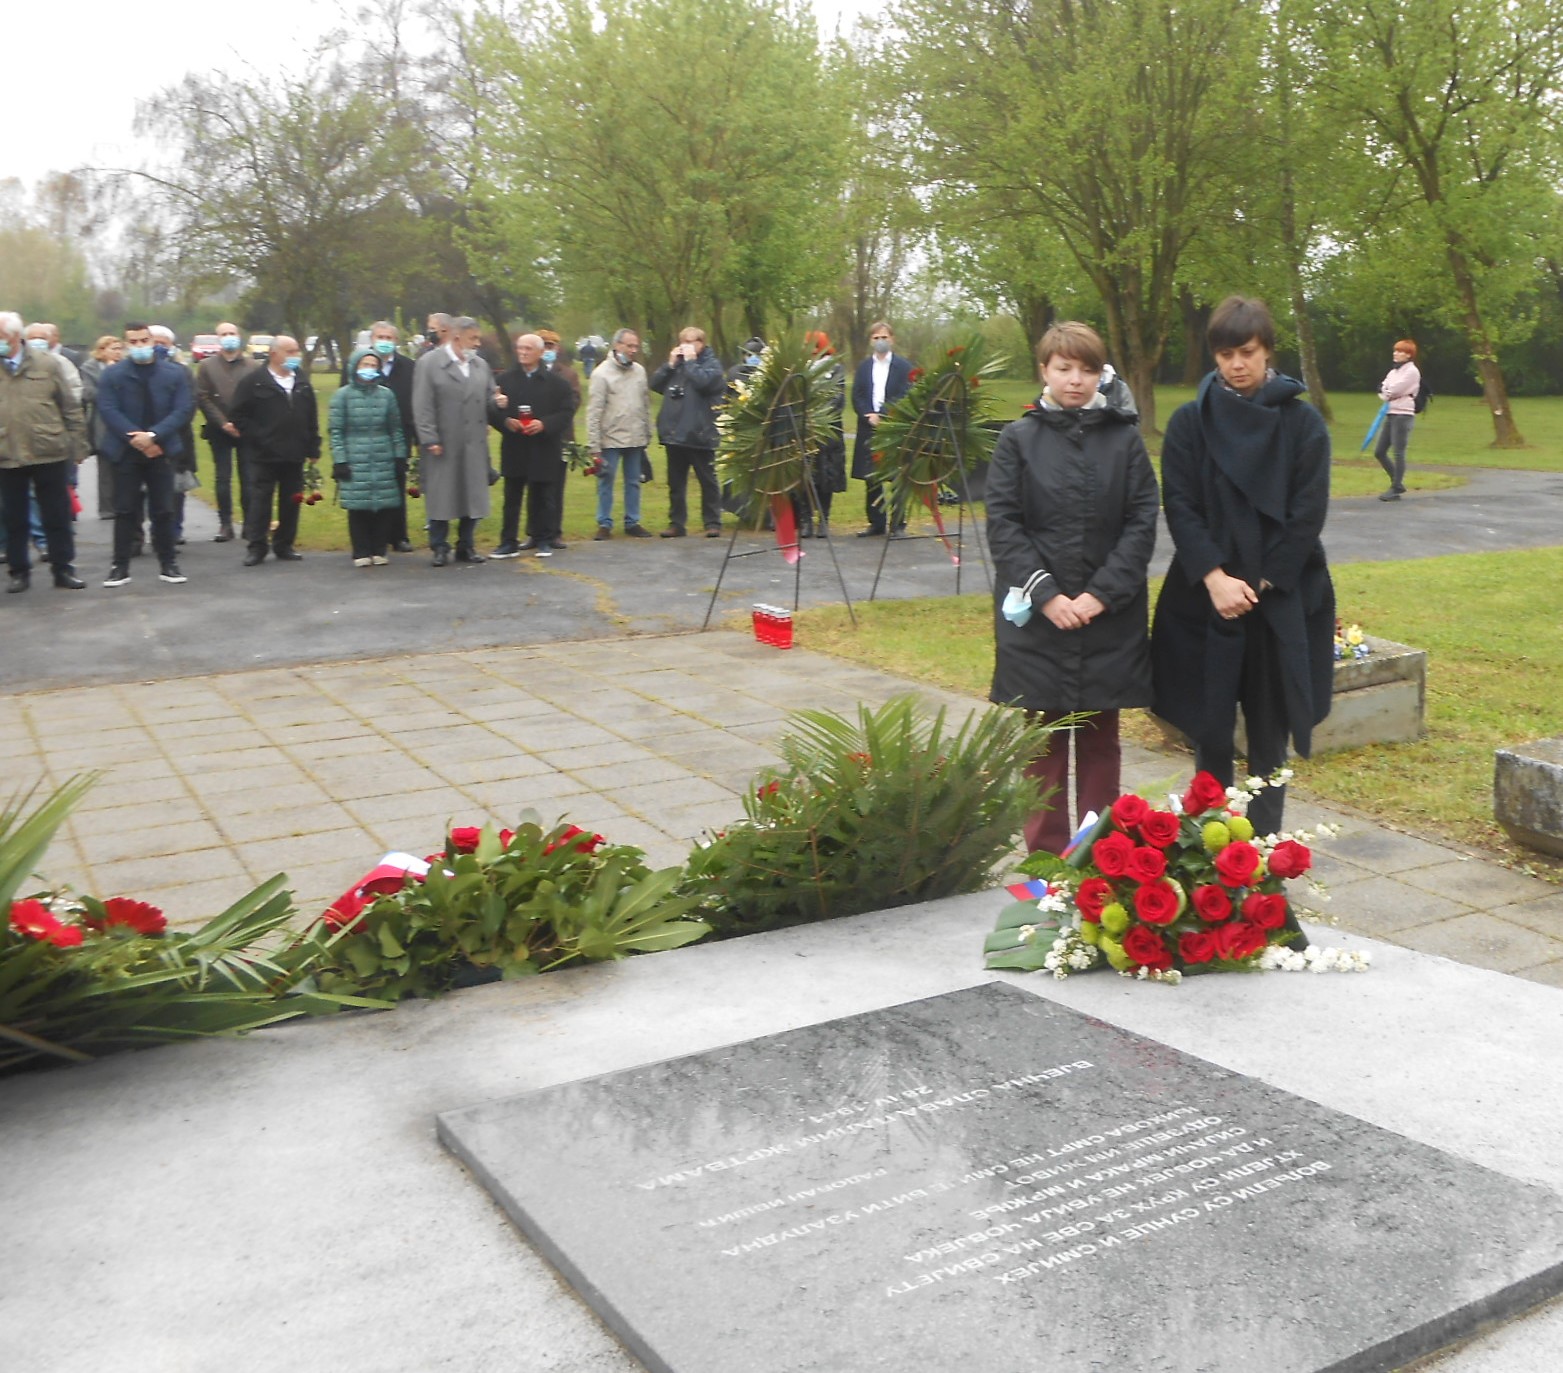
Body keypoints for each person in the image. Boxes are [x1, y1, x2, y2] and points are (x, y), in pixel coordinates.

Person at [1151, 295, 1335, 843]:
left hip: (1278, 598)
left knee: (1269, 737)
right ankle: (1211, 859)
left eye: (1247, 352)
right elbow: (1179, 504)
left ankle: (1262, 860)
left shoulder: (1303, 424)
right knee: (1209, 733)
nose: (1237, 364)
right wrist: (1214, 577)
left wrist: (1259, 581)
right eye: (1226, 353)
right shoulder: (1189, 423)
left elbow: (1308, 513)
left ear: (1268, 351)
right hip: (1204, 598)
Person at [985, 321, 1159, 853]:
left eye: (1087, 369)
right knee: (1043, 748)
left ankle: (1096, 856)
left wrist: (1099, 595)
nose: (1076, 380)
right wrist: (1049, 597)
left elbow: (1141, 521)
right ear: (1045, 371)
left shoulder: (1125, 440)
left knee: (1101, 742)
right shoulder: (1017, 440)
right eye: (1065, 368)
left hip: (1107, 619)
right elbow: (1004, 524)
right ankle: (1046, 864)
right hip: (1038, 624)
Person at [95, 321, 196, 586]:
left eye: (144, 341)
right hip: (126, 450)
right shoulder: (113, 375)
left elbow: (183, 410)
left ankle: (168, 564)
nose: (139, 346)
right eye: (133, 342)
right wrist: (136, 438)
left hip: (161, 449)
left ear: (152, 341)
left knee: (163, 510)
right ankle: (120, 566)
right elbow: (108, 409)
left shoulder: (174, 373)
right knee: (125, 510)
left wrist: (154, 436)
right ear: (126, 344)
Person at [0, 310, 87, 592]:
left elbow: (70, 407)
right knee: (14, 517)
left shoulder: (48, 364)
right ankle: (19, 572)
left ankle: (63, 569)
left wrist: (78, 445)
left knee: (57, 515)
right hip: (7, 452)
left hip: (48, 450)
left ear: (14, 336)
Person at [412, 315, 500, 566]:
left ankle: (466, 545)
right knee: (442, 495)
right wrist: (429, 438)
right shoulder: (430, 363)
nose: (477, 343)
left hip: (473, 442)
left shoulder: (479, 365)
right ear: (457, 337)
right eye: (473, 338)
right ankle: (439, 546)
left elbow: (488, 395)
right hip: (443, 441)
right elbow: (422, 404)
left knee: (472, 494)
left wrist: (497, 402)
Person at [228, 335, 320, 567]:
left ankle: (284, 544)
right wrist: (258, 436)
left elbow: (311, 415)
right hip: (264, 454)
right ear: (273, 354)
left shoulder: (301, 380)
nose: (294, 355)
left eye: (296, 351)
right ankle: (257, 547)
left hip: (294, 452)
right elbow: (238, 415)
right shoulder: (254, 382)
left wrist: (313, 445)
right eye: (289, 351)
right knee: (261, 500)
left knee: (291, 500)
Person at [491, 332, 577, 556]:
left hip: (543, 446)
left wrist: (544, 424)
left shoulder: (557, 384)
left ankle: (544, 539)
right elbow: (491, 412)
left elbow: (567, 411)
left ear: (540, 353)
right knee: (512, 497)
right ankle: (508, 541)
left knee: (543, 495)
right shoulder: (504, 380)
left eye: (528, 349)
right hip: (515, 447)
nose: (523, 353)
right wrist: (505, 420)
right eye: (520, 348)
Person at [329, 348, 406, 567]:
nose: (370, 370)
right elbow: (336, 431)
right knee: (359, 506)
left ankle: (379, 548)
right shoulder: (342, 395)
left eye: (374, 366)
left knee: (384, 505)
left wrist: (400, 456)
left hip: (383, 454)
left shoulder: (386, 395)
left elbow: (396, 428)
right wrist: (340, 459)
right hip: (355, 454)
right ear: (354, 367)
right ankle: (361, 549)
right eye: (365, 365)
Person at [649, 325, 725, 538]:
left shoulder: (712, 365)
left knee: (707, 480)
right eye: (685, 341)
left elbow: (705, 383)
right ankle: (676, 523)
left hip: (700, 433)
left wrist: (691, 362)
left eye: (693, 341)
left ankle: (712, 522)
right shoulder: (677, 367)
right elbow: (655, 384)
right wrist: (669, 365)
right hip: (675, 434)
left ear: (703, 343)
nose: (688, 346)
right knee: (675, 482)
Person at [586, 328, 653, 540]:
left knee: (633, 481)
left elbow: (645, 403)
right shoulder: (601, 374)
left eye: (636, 346)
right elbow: (594, 411)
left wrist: (648, 432)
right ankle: (604, 522)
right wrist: (593, 445)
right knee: (606, 480)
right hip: (610, 438)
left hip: (635, 436)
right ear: (617, 345)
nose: (633, 350)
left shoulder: (640, 371)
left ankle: (632, 521)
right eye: (629, 345)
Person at [194, 321, 257, 541]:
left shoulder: (253, 366)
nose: (229, 337)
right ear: (218, 339)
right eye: (224, 334)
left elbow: (257, 397)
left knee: (248, 478)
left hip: (246, 430)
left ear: (239, 336)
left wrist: (243, 423)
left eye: (232, 333)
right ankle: (225, 523)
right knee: (223, 477)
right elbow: (203, 397)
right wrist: (222, 423)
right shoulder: (206, 366)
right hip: (218, 429)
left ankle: (250, 523)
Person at [850, 321, 914, 537]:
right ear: (871, 341)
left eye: (884, 337)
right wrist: (867, 414)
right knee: (871, 477)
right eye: (876, 338)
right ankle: (876, 523)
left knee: (896, 476)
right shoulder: (864, 367)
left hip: (894, 427)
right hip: (868, 426)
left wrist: (884, 414)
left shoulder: (904, 367)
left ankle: (898, 524)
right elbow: (857, 394)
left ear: (892, 339)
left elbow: (906, 396)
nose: (880, 341)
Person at [357, 321, 415, 552]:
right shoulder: (362, 365)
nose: (384, 341)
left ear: (396, 341)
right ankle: (372, 537)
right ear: (372, 340)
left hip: (400, 434)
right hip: (367, 437)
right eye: (380, 337)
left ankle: (399, 535)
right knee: (369, 484)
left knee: (397, 484)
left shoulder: (409, 367)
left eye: (389, 337)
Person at [795, 331, 846, 538]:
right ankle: (805, 519)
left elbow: (838, 399)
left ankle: (824, 519)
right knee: (805, 475)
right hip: (804, 429)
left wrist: (820, 416)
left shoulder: (836, 369)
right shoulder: (800, 369)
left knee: (827, 475)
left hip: (829, 431)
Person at [81, 335, 124, 521]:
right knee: (105, 468)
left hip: (124, 422)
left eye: (119, 348)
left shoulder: (126, 367)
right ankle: (106, 508)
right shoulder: (89, 368)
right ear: (102, 350)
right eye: (113, 348)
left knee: (124, 467)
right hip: (101, 423)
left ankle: (124, 504)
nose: (117, 351)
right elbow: (88, 393)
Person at [1374, 339, 1420, 502]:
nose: (1396, 353)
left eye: (1400, 351)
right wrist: (1386, 391)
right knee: (1379, 451)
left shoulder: (1412, 371)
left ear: (1409, 355)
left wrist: (1386, 391)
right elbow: (1383, 390)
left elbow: (1392, 390)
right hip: (1391, 412)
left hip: (1403, 414)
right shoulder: (1393, 372)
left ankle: (1395, 487)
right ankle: (1397, 482)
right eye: (1395, 350)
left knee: (1398, 451)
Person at [537, 329, 582, 406]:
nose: (547, 351)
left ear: (557, 349)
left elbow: (574, 400)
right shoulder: (527, 370)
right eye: (544, 348)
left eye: (550, 348)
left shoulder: (569, 374)